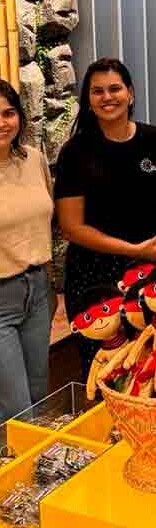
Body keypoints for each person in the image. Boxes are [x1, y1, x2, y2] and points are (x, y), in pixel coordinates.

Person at [55, 58, 156, 379]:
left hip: (152, 269)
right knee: (108, 373)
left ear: (130, 93)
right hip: (95, 278)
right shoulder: (75, 153)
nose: (107, 97)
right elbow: (71, 227)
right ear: (88, 100)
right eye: (98, 91)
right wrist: (133, 249)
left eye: (115, 89)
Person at [0, 80, 52, 420]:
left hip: (38, 290)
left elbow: (45, 221)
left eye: (8, 113)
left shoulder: (33, 160)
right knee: (17, 411)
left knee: (39, 398)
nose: (2, 123)